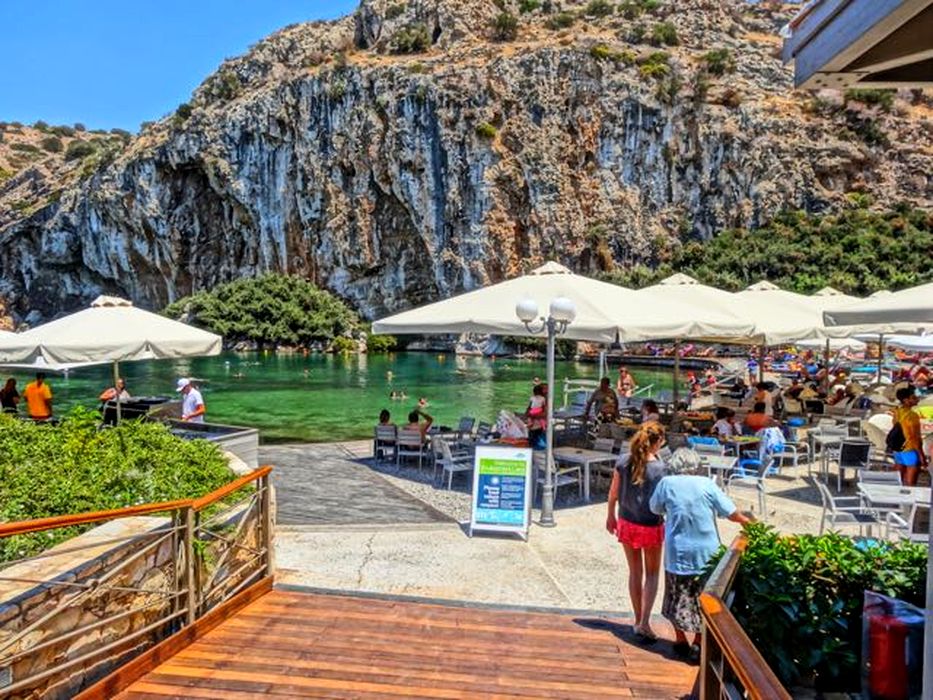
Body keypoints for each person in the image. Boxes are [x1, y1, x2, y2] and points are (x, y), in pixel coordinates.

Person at [650, 450, 753, 659]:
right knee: (702, 598)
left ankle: (680, 639)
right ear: (695, 465)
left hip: (677, 551)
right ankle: (698, 642)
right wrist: (749, 523)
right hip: (706, 552)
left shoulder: (666, 483)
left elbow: (655, 508)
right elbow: (730, 512)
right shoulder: (707, 484)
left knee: (676, 597)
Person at [606, 423, 668, 644]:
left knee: (635, 572)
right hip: (651, 524)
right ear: (657, 442)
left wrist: (610, 515)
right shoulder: (660, 469)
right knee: (652, 574)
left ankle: (637, 618)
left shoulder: (623, 461)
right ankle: (644, 622)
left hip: (627, 521)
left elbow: (613, 493)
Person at [891, 386, 927, 486]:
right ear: (906, 400)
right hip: (909, 449)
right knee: (911, 484)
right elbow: (915, 437)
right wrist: (921, 455)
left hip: (898, 449)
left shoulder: (897, 412)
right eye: (913, 398)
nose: (917, 399)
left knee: (898, 481)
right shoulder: (912, 416)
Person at [525, 384, 547, 449]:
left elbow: (530, 407)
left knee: (533, 431)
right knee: (537, 430)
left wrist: (531, 415)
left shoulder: (532, 398)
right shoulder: (543, 398)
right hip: (539, 412)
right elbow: (543, 407)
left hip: (533, 412)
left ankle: (533, 444)